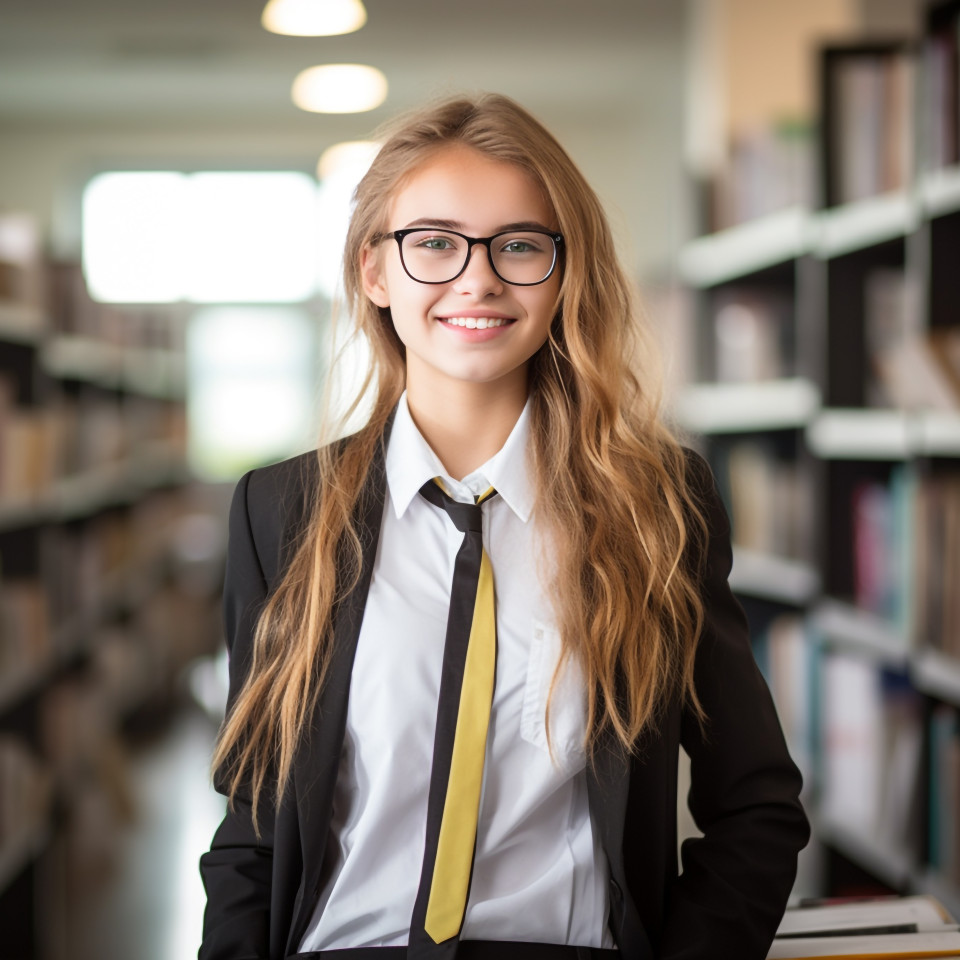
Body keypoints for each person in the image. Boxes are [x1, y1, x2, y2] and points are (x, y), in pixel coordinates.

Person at [198, 92, 809, 960]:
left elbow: (755, 807)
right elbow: (256, 822)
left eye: (519, 245)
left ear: (564, 273)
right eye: (434, 243)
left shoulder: (658, 506)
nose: (477, 278)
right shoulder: (280, 510)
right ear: (375, 272)